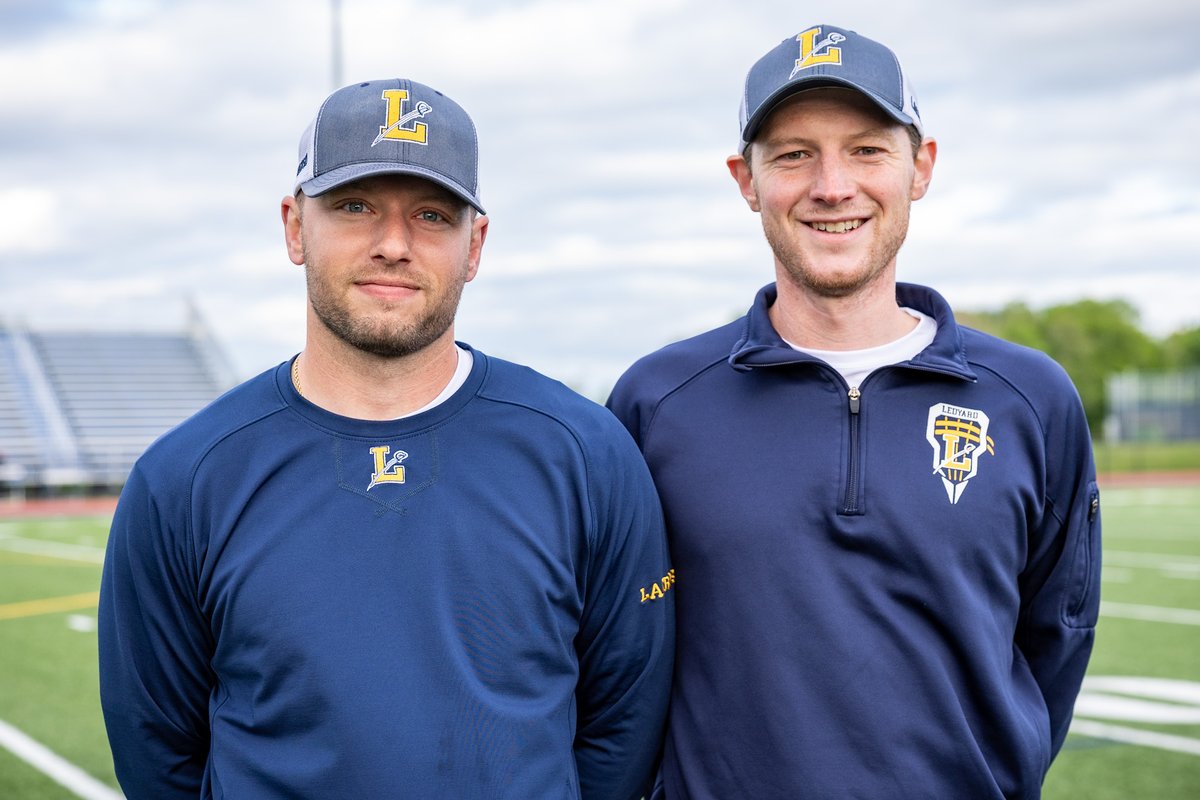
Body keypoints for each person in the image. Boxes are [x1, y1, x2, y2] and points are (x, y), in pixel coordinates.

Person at [99, 78, 674, 800]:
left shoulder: (586, 453)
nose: (393, 245)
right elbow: (158, 751)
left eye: (432, 215)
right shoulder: (184, 478)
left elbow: (623, 729)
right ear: (293, 226)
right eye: (354, 206)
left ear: (475, 245)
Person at [607, 25, 1100, 799]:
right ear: (746, 179)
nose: (832, 186)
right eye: (794, 154)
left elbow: (1055, 641)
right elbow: (619, 654)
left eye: (867, 149)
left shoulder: (1031, 400)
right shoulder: (656, 402)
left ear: (921, 167)